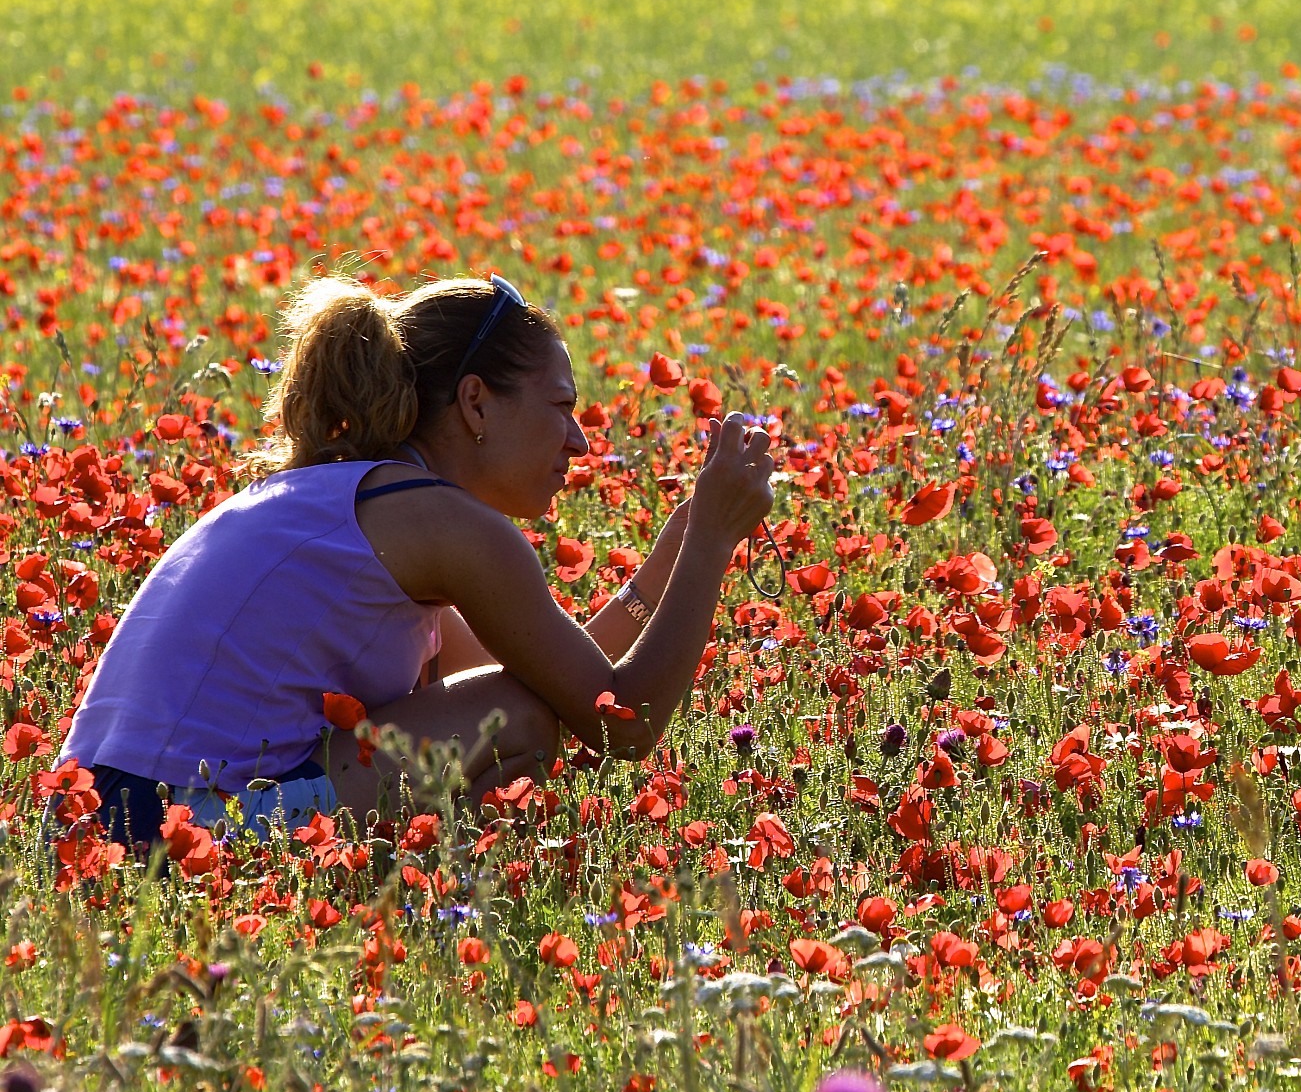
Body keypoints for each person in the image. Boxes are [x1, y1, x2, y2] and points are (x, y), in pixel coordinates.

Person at [50, 272, 777, 847]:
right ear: (475, 404)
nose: (580, 442)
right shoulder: (444, 524)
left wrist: (679, 542)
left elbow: (561, 673)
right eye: (561, 406)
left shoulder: (357, 499)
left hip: (86, 814)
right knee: (514, 718)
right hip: (170, 826)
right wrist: (712, 543)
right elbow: (623, 721)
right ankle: (427, 911)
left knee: (514, 703)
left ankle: (425, 900)